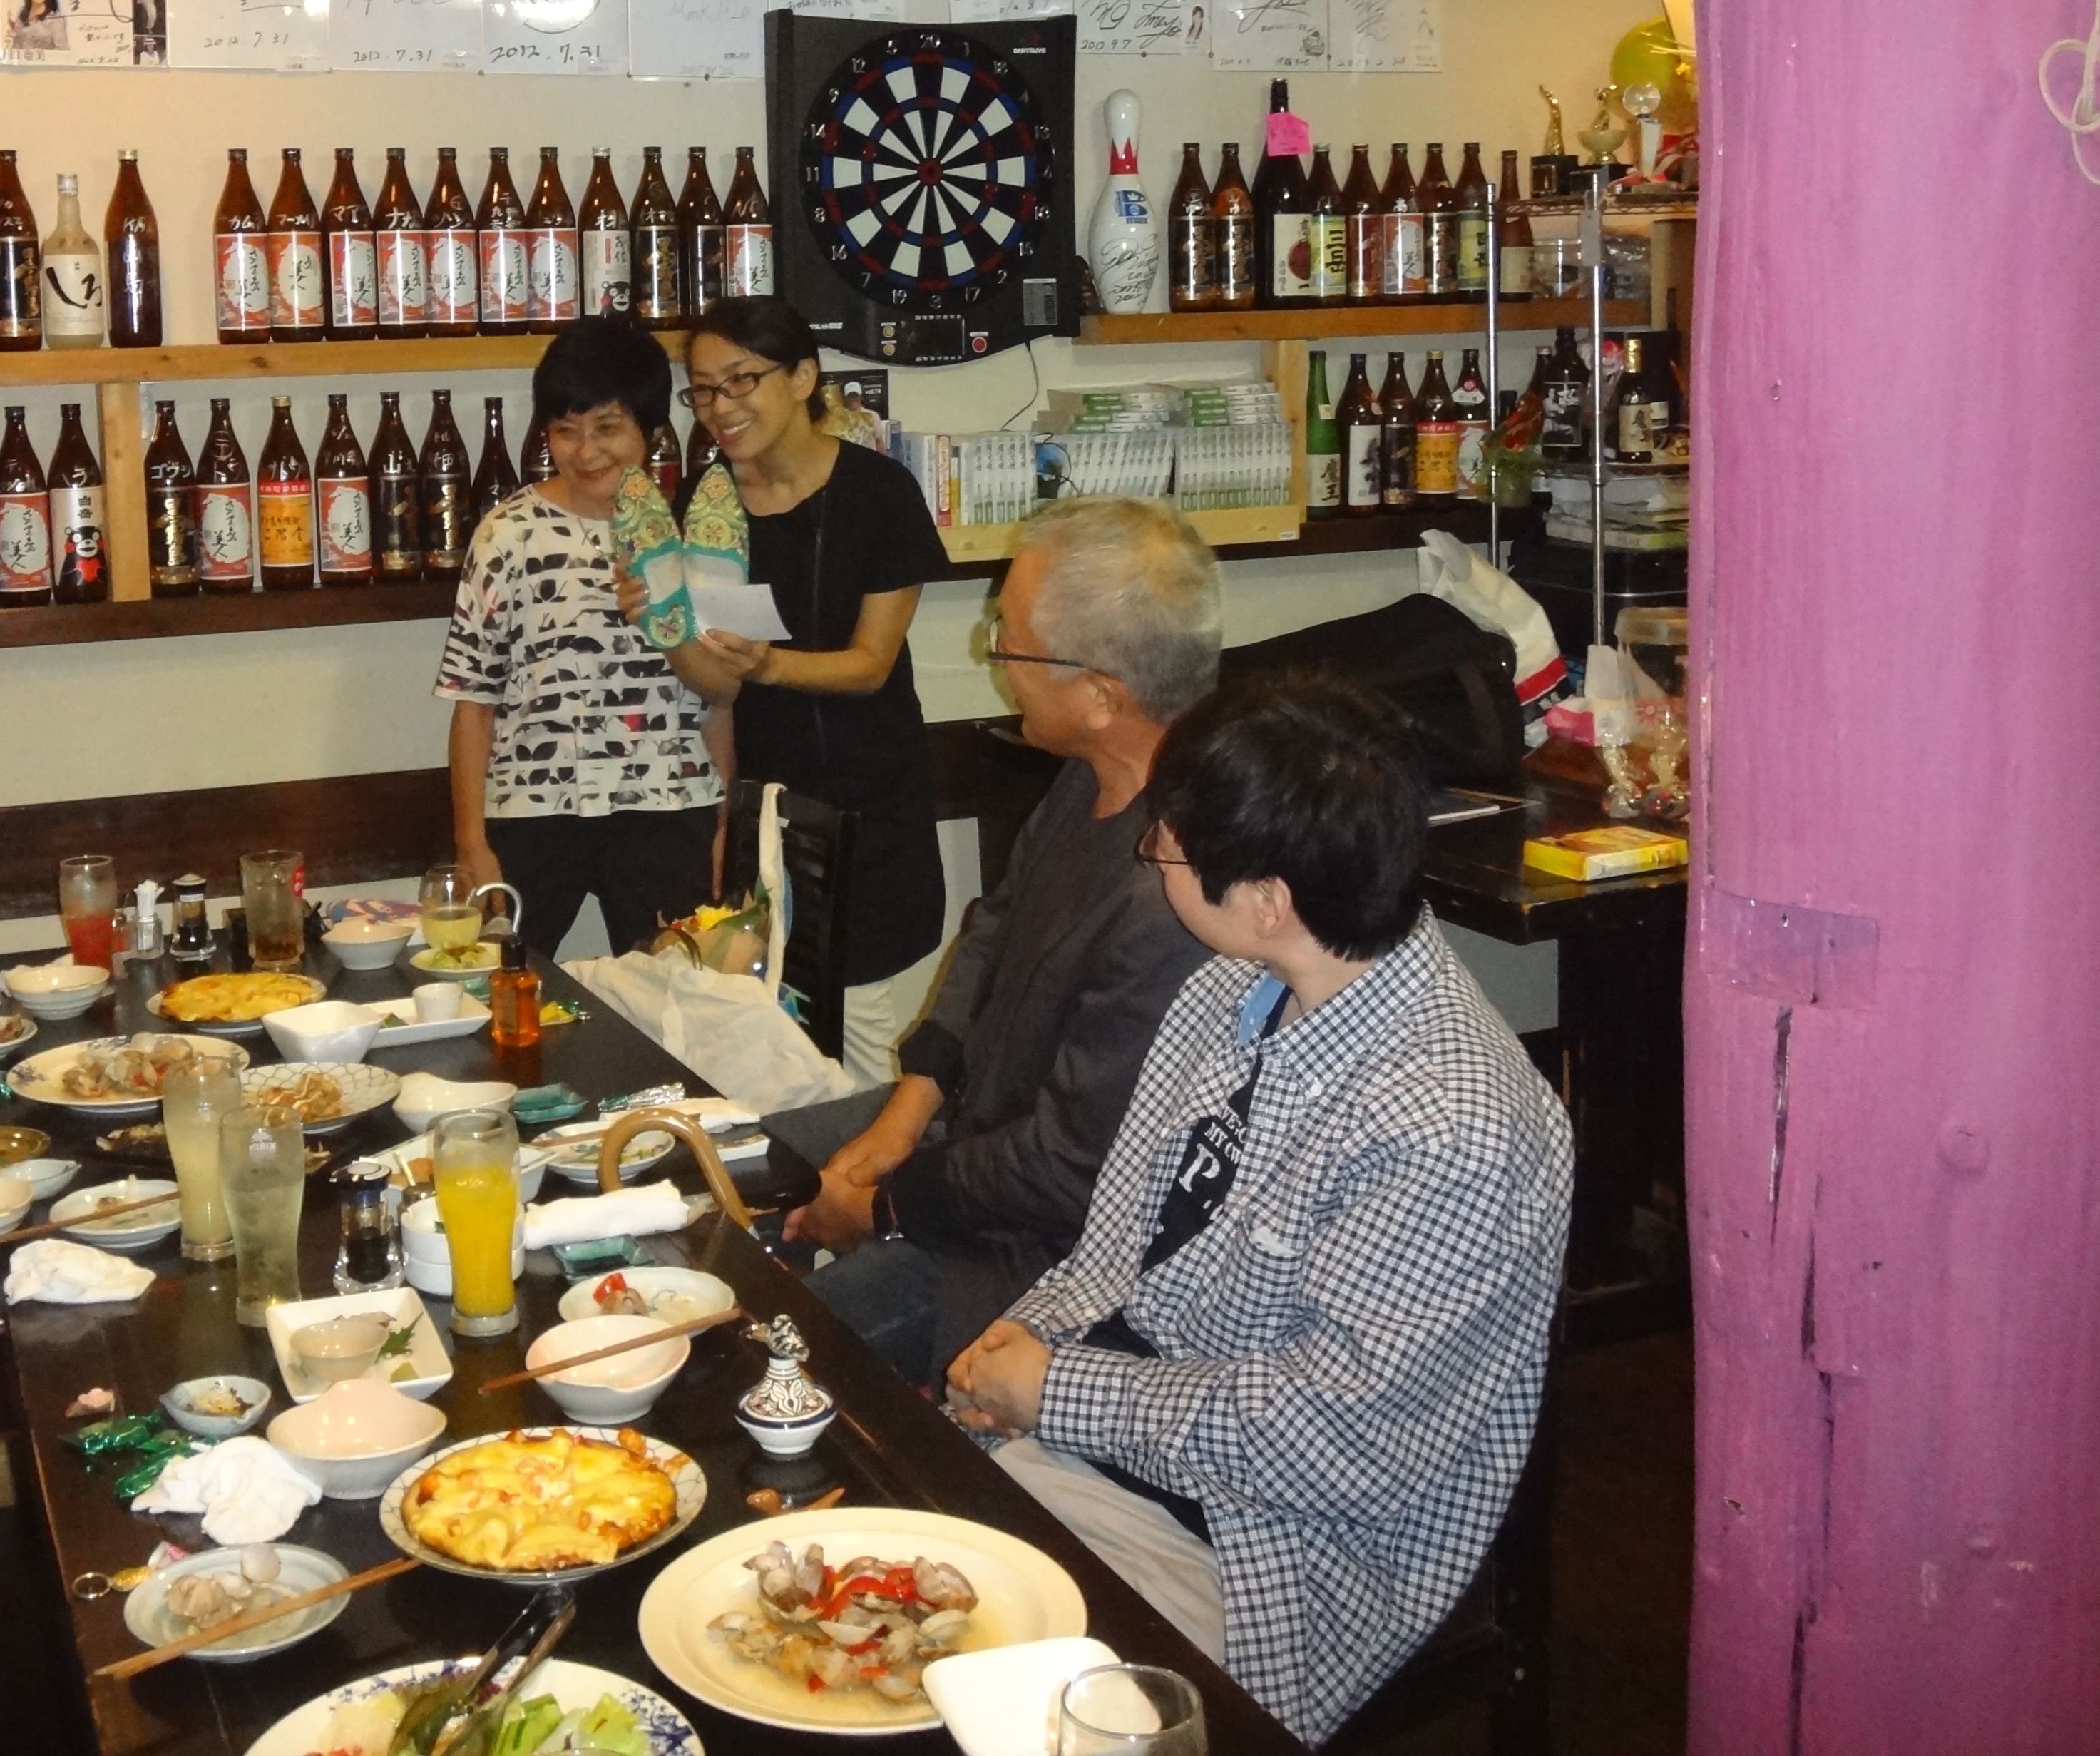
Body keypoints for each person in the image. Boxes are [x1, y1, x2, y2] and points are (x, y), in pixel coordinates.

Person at [945, 671, 1572, 1749]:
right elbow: (1114, 1255)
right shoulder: (1230, 991)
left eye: (1169, 844)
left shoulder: (1453, 1125)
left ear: (1270, 899)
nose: (1152, 851)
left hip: (1272, 1548)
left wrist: (1057, 1392)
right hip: (1114, 1445)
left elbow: (1331, 1442)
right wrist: (1018, 1354)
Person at [767, 498, 1221, 1384]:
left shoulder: (1176, 890)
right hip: (970, 1140)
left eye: (1010, 642)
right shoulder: (1086, 777)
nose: (994, 657)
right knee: (743, 1163)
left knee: (784, 1347)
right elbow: (993, 930)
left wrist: (883, 1208)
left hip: (1040, 1254)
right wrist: (906, 1114)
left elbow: (1063, 1169)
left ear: (1101, 696)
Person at [667, 295, 951, 1081]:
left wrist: (771, 666)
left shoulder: (879, 493)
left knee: (858, 1026)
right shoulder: (708, 502)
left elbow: (870, 664)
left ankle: (875, 1161)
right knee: (765, 1028)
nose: (720, 407)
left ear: (802, 378)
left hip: (870, 805)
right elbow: (713, 686)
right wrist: (662, 620)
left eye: (740, 380)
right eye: (703, 389)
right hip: (764, 811)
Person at [435, 317, 731, 957]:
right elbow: (473, 701)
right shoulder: (508, 533)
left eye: (607, 429)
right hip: (533, 810)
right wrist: (472, 844)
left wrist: (722, 822)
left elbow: (719, 699)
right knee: (503, 986)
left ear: (652, 431)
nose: (585, 451)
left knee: (675, 992)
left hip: (667, 803)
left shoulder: (695, 533)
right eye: (566, 431)